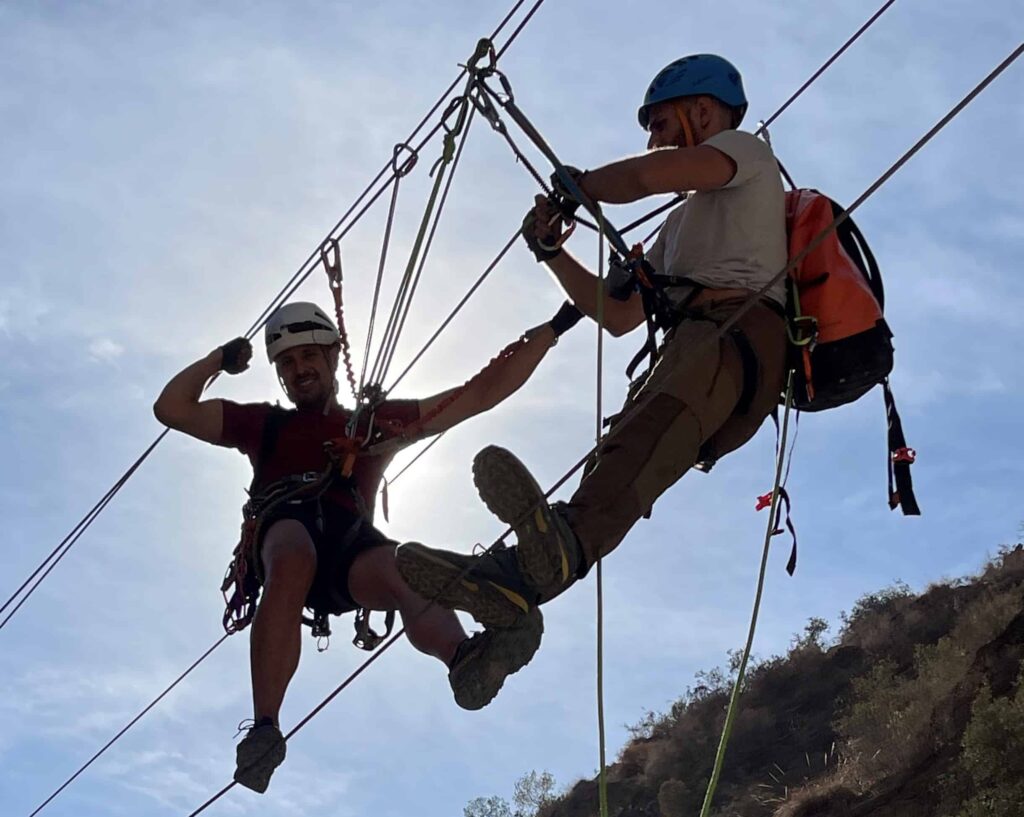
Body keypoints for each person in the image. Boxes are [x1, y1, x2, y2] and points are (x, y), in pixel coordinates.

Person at [394, 54, 788, 630]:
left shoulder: (748, 152)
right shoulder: (679, 229)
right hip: (701, 342)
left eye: (659, 125)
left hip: (736, 332)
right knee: (628, 451)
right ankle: (516, 590)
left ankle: (555, 555)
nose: (654, 143)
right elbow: (618, 314)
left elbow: (645, 179)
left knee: (642, 442)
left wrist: (580, 190)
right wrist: (553, 253)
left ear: (702, 110)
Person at [153, 298, 581, 792]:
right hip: (287, 527)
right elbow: (172, 409)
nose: (299, 370)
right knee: (293, 557)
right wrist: (217, 362)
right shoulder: (264, 425)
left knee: (405, 568)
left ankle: (466, 660)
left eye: (308, 356)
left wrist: (555, 327)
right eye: (287, 364)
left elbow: (478, 394)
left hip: (350, 551)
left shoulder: (373, 424)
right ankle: (264, 729)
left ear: (333, 357)